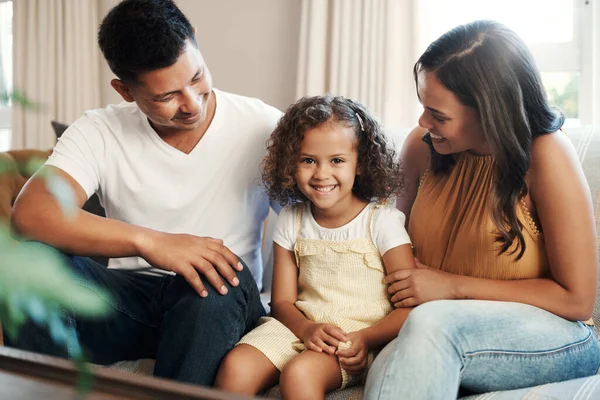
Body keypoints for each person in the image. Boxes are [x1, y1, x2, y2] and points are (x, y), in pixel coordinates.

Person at [8, 0, 281, 387]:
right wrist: (151, 242)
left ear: (196, 42)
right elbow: (32, 213)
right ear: (124, 90)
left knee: (220, 279)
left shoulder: (264, 125)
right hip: (127, 303)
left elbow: (316, 222)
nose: (191, 103)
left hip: (219, 304)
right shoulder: (99, 130)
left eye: (197, 77)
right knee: (31, 264)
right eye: (166, 97)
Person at [364, 20, 600, 399]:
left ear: (490, 112)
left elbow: (576, 299)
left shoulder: (547, 156)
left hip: (555, 337)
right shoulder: (421, 148)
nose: (425, 123)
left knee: (431, 325)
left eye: (438, 116)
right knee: (397, 353)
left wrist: (452, 287)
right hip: (432, 326)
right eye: (423, 108)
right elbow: (387, 243)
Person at [214, 95, 415, 399]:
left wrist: (366, 338)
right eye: (308, 160)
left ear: (360, 164)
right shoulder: (291, 220)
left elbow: (409, 306)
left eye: (337, 160)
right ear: (290, 163)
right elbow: (282, 303)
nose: (321, 174)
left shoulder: (382, 222)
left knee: (300, 374)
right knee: (236, 367)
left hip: (355, 336)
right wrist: (307, 330)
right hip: (299, 328)